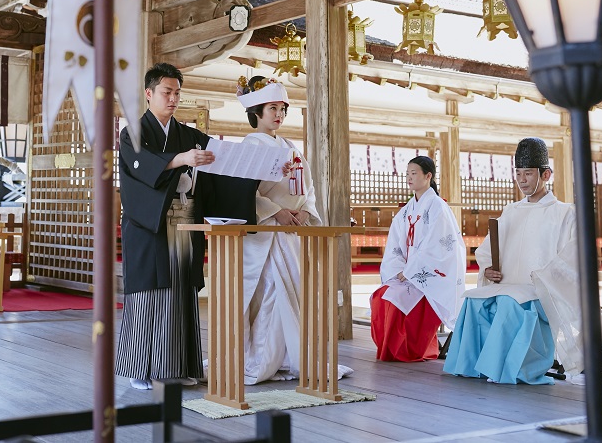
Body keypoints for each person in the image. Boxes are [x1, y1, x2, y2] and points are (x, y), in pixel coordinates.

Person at [237, 76, 352, 384]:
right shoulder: (250, 145)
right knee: (272, 294)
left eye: (282, 109)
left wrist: (304, 211)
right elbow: (245, 193)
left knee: (297, 294)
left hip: (291, 233)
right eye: (272, 108)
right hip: (268, 233)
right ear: (256, 112)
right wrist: (276, 211)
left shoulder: (290, 147)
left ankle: (289, 357)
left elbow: (309, 188)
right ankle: (262, 358)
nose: (278, 115)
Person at [115, 63, 219, 391]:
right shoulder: (132, 131)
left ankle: (181, 365)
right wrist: (180, 159)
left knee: (182, 293)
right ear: (149, 94)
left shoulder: (189, 135)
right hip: (148, 223)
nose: (173, 98)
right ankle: (141, 368)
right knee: (149, 293)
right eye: (166, 92)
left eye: (177, 93)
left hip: (183, 220)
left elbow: (218, 158)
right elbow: (141, 165)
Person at [443, 138, 582, 384]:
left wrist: (543, 278)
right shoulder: (511, 211)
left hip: (540, 291)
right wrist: (489, 268)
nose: (522, 179)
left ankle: (507, 369)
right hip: (508, 286)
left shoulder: (565, 213)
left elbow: (572, 256)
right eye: (518, 173)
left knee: (509, 303)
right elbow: (487, 250)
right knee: (473, 301)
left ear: (545, 174)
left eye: (528, 173)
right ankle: (471, 366)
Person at [370, 156, 465, 362]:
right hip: (408, 272)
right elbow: (395, 242)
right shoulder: (406, 211)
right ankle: (393, 349)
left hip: (429, 274)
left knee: (395, 300)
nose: (409, 178)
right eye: (407, 174)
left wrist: (411, 270)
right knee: (381, 295)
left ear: (428, 176)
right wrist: (398, 270)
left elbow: (438, 246)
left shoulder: (438, 207)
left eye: (414, 174)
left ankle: (410, 349)